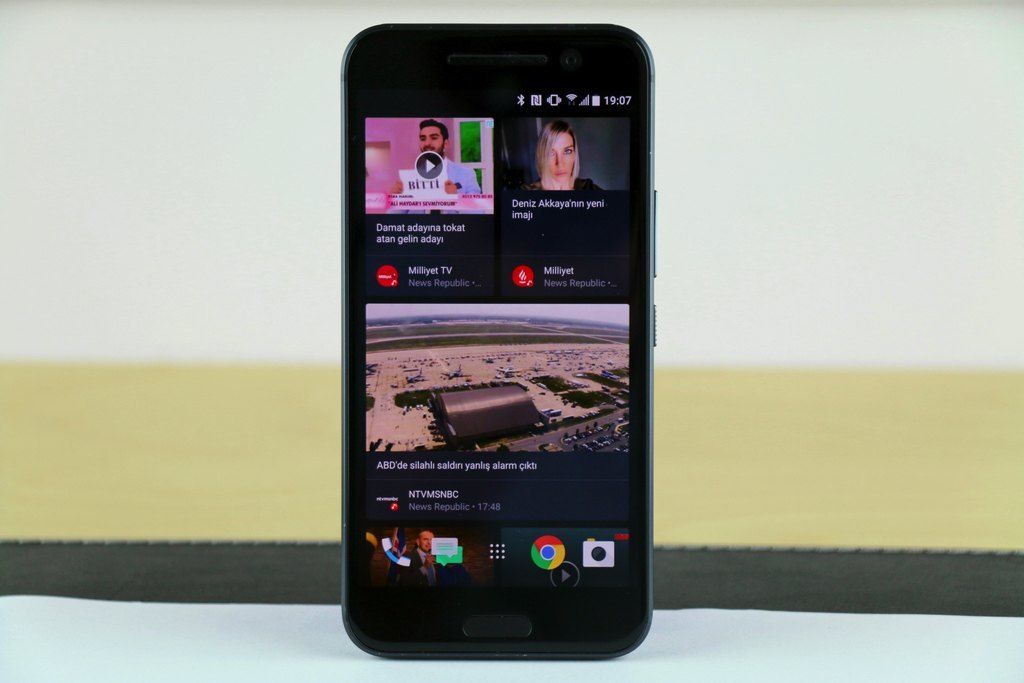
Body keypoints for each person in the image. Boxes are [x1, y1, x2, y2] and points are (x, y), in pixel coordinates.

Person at [390, 119, 482, 195]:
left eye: (434, 138)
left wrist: (455, 197)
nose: (427, 143)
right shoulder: (409, 179)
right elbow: (398, 211)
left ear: (445, 144)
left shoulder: (466, 174)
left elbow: (477, 209)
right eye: (423, 139)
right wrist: (394, 198)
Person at [521, 120, 601, 190]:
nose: (560, 163)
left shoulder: (589, 188)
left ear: (574, 155)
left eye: (567, 151)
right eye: (550, 153)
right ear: (542, 157)